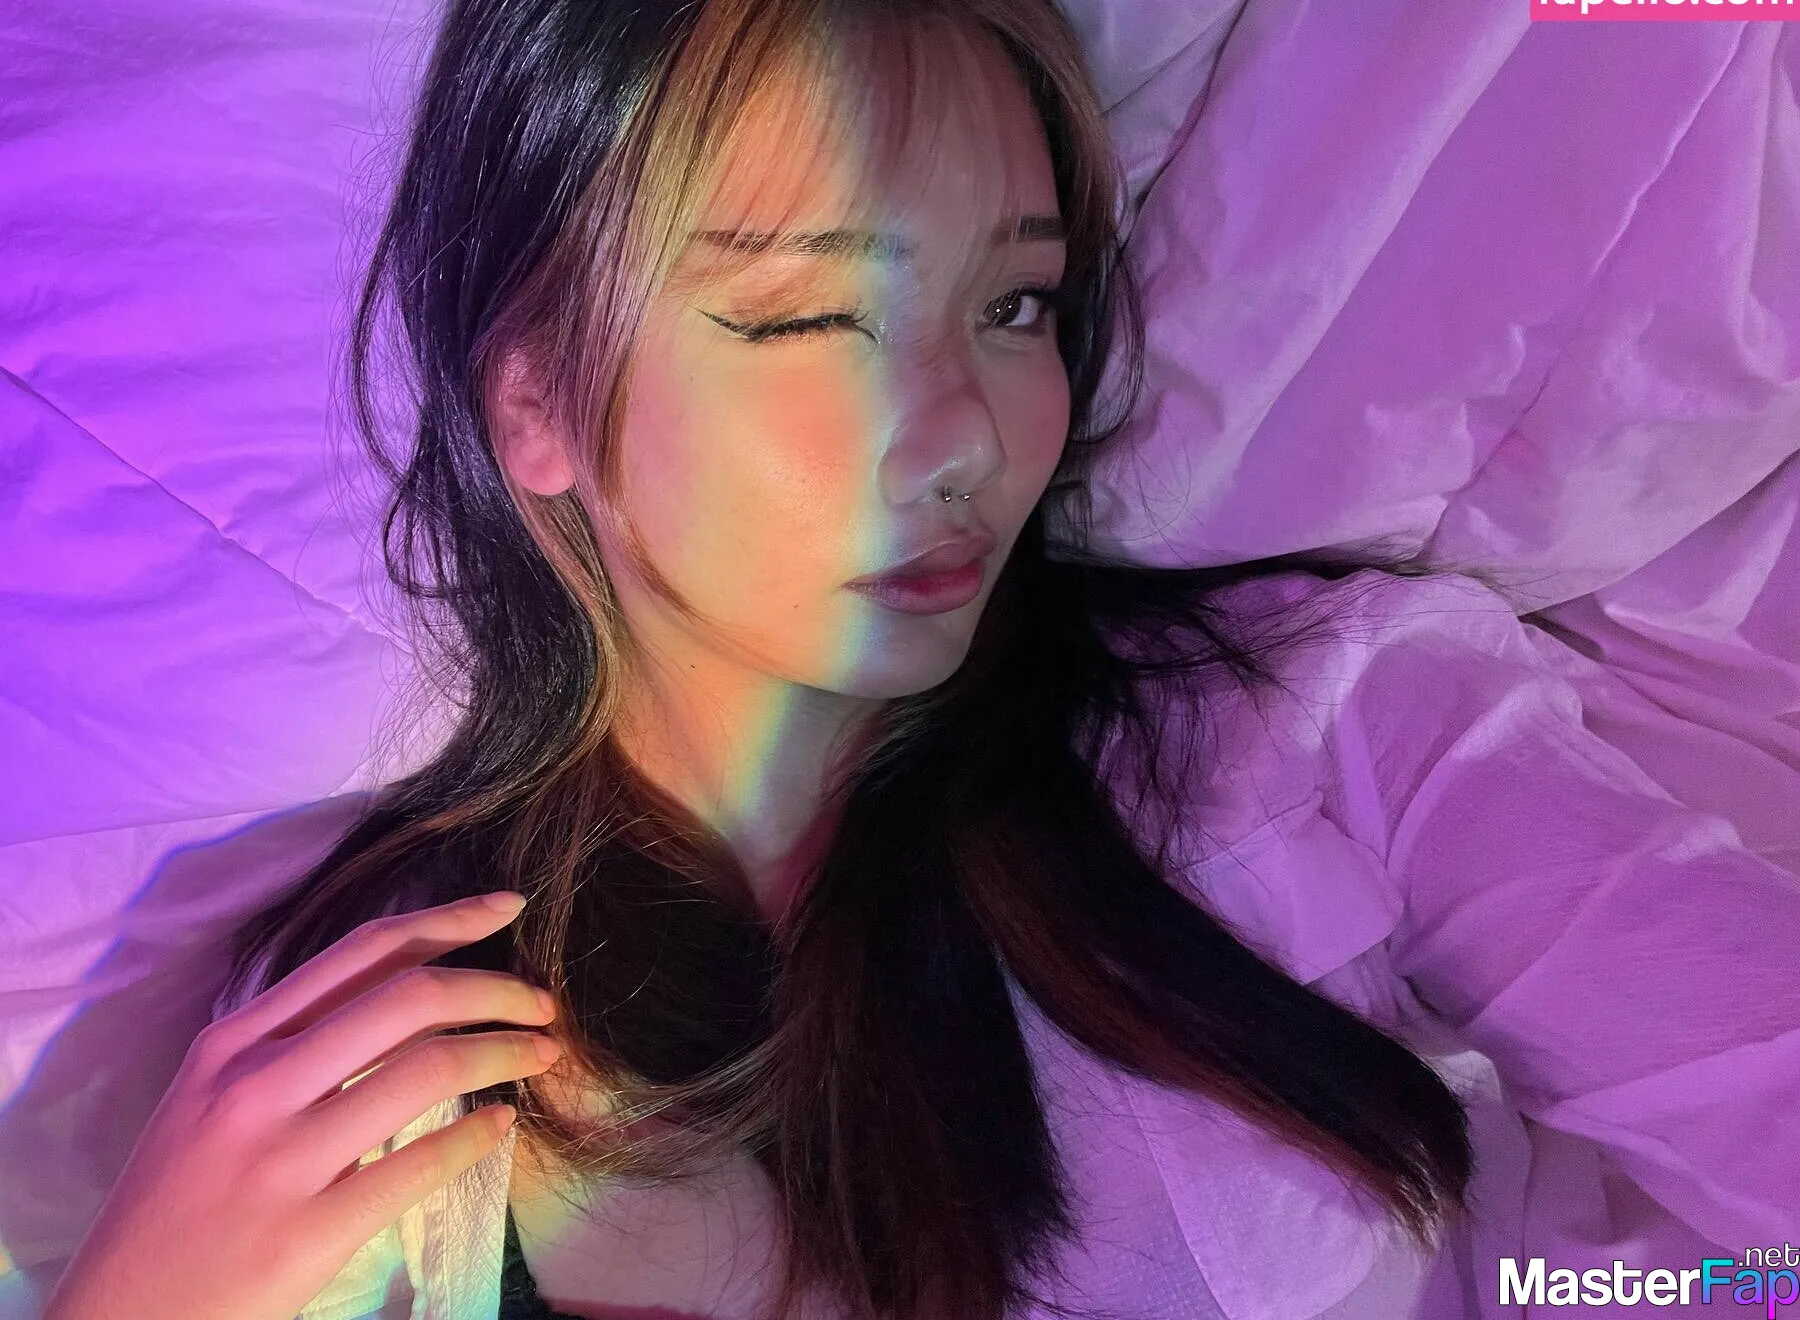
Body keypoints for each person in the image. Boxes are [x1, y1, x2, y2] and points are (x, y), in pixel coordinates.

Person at [38, 0, 1800, 1318]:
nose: (961, 435)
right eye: (818, 315)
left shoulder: (1333, 723)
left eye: (1014, 306)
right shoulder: (367, 1035)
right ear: (538, 404)